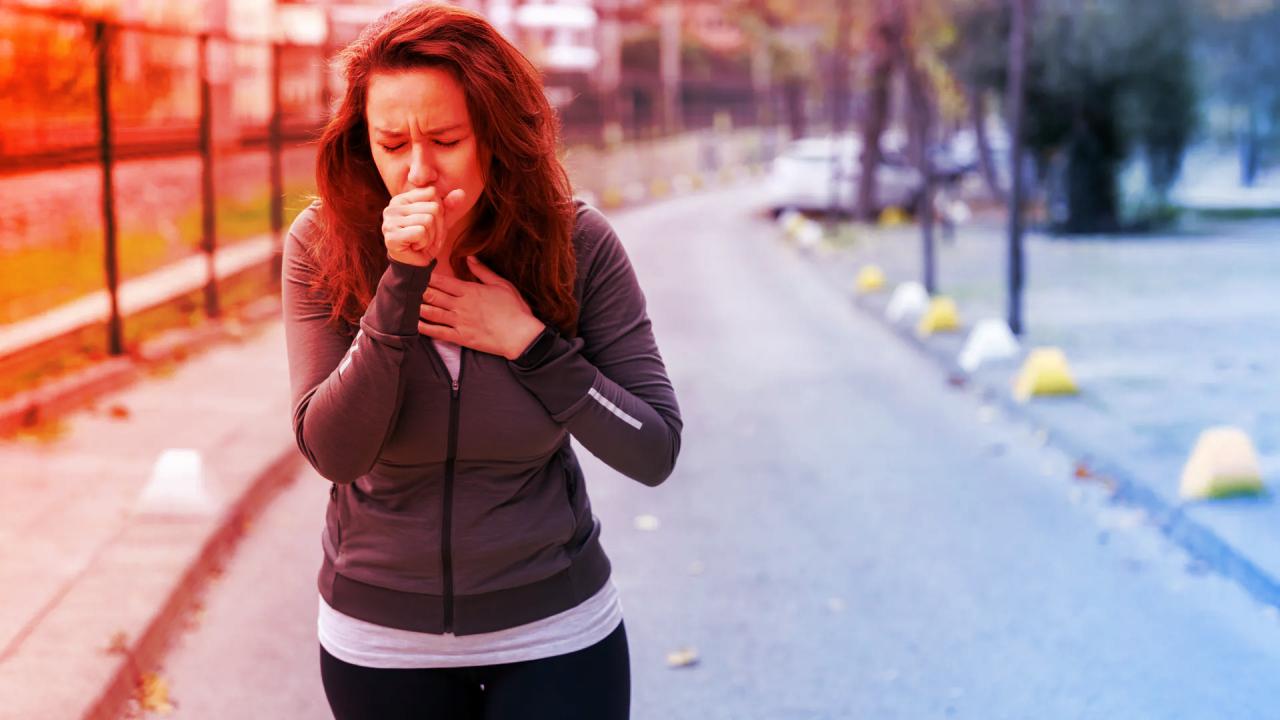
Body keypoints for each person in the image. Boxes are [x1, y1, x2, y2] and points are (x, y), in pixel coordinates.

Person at [280, 3, 683, 718]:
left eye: (445, 138)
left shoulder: (578, 244)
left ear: (496, 134)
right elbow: (334, 450)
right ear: (360, 141)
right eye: (391, 142)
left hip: (558, 634)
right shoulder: (324, 242)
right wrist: (399, 284)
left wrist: (529, 344)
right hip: (380, 644)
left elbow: (653, 448)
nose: (417, 170)